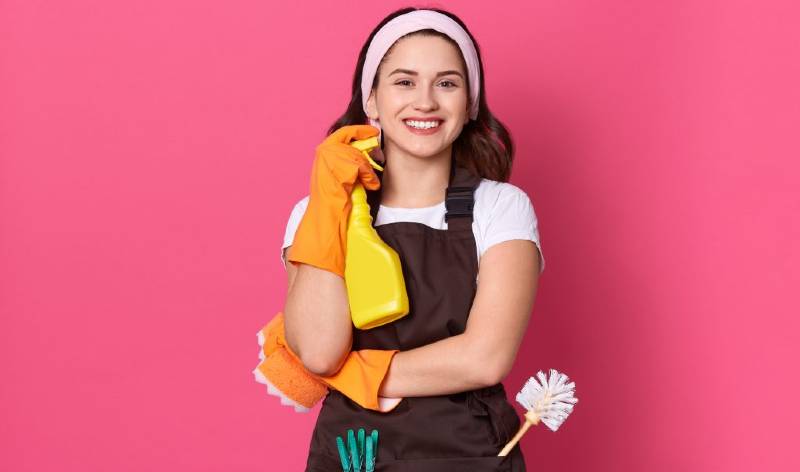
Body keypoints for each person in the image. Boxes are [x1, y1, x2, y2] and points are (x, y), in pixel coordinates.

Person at [281, 7, 545, 471]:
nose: (424, 101)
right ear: (372, 100)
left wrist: (360, 373)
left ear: (471, 103)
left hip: (471, 455)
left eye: (447, 83)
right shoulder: (316, 213)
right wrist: (330, 199)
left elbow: (484, 358)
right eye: (404, 82)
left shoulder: (501, 207)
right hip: (352, 455)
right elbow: (320, 350)